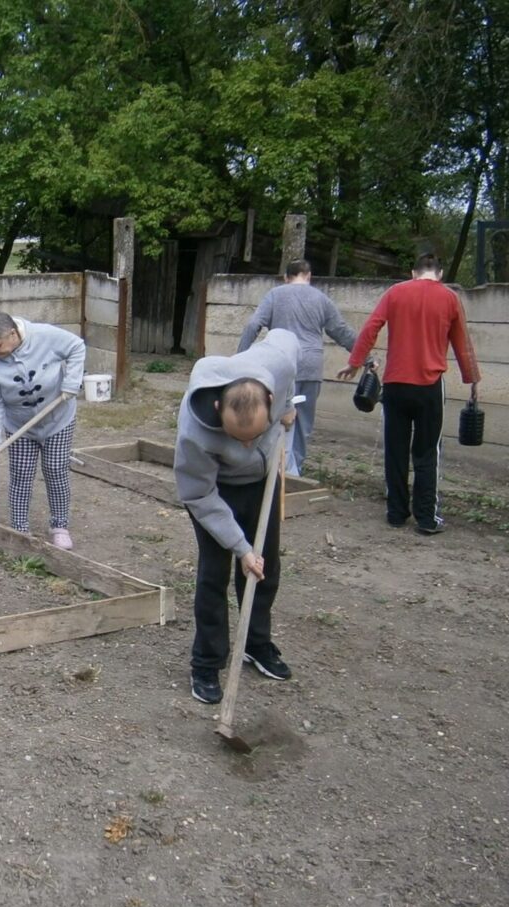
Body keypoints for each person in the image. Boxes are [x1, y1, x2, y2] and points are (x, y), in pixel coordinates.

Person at [174, 329, 300, 705]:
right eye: (236, 438)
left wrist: (290, 407)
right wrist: (241, 547)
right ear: (217, 410)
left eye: (253, 437)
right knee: (215, 574)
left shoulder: (277, 364)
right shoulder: (194, 432)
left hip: (262, 480)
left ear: (270, 398)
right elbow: (198, 494)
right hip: (215, 490)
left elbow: (287, 339)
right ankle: (207, 662)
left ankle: (255, 643)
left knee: (265, 568)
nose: (246, 445)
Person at [338, 253, 481, 536]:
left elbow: (371, 327)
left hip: (395, 385)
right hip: (429, 387)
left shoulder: (395, 292)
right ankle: (427, 518)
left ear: (413, 272)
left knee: (396, 449)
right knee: (428, 452)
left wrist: (355, 363)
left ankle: (396, 513)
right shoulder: (450, 298)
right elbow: (461, 341)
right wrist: (472, 379)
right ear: (439, 274)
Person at [0, 311, 86, 549]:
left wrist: (71, 382)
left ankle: (59, 526)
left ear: (12, 333)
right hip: (19, 427)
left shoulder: (45, 336)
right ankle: (19, 530)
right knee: (21, 475)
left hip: (58, 419)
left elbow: (77, 347)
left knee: (55, 469)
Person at [237, 259, 357, 475]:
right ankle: (294, 471)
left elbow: (253, 324)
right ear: (309, 276)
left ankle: (273, 469)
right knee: (303, 424)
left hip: (280, 366)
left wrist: (240, 358)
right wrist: (365, 358)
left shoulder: (275, 295)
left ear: (286, 277)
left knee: (276, 417)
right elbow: (342, 331)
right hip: (310, 365)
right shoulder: (321, 299)